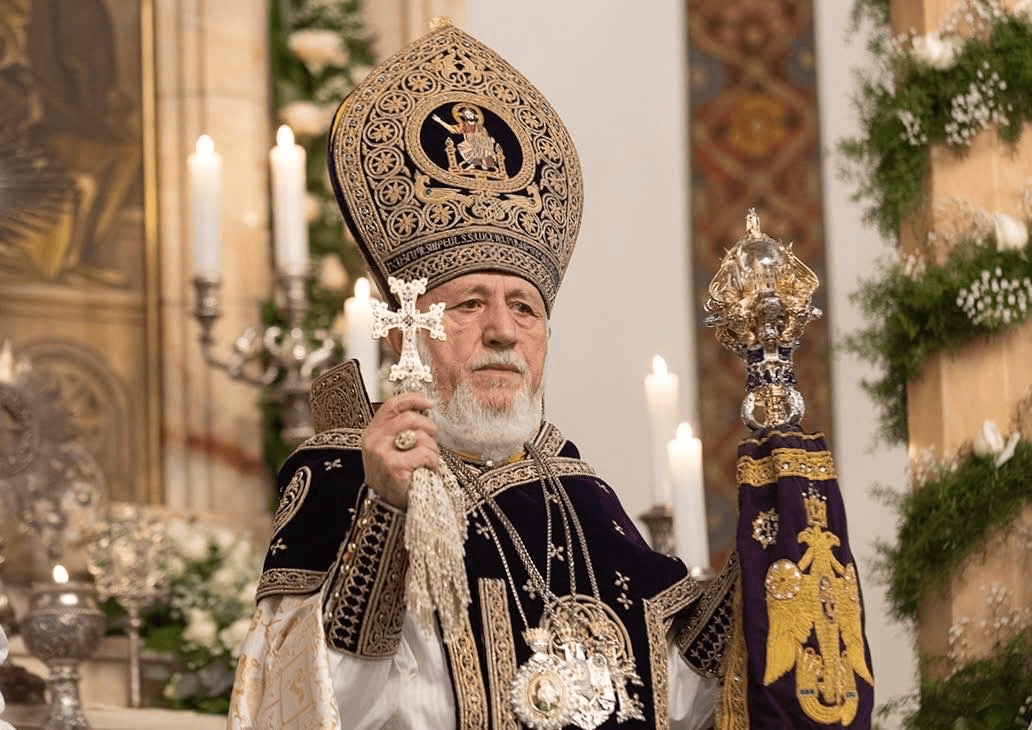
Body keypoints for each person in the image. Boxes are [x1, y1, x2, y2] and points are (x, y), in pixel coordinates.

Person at [229, 18, 873, 730]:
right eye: (470, 304)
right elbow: (312, 701)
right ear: (407, 328)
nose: (503, 331)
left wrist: (766, 548)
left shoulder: (578, 495)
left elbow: (681, 688)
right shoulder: (341, 477)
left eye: (525, 310)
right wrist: (383, 512)